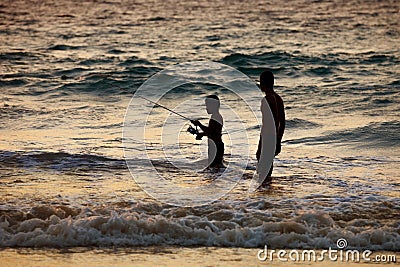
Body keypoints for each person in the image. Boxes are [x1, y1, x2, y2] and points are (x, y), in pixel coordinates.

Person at [256, 70, 285, 184]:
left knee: (262, 164)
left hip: (267, 136)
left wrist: (262, 141)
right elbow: (281, 122)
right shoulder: (278, 98)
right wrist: (278, 140)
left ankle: (264, 193)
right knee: (267, 165)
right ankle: (267, 192)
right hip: (274, 137)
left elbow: (269, 123)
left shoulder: (267, 100)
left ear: (263, 83)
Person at [191, 95, 225, 169]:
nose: (206, 108)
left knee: (213, 166)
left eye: (208, 106)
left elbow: (210, 132)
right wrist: (202, 134)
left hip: (215, 146)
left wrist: (199, 124)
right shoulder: (217, 116)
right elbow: (214, 132)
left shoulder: (215, 117)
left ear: (214, 106)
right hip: (217, 145)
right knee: (216, 166)